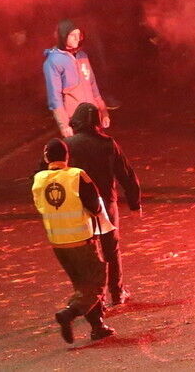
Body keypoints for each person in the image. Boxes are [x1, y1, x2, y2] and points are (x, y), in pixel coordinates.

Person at [31, 139, 115, 343]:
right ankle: (68, 313)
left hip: (58, 243)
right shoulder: (77, 175)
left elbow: (41, 206)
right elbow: (95, 207)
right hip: (82, 240)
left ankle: (97, 326)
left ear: (46, 158)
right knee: (96, 283)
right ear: (67, 156)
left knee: (82, 286)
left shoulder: (39, 179)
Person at [65, 102, 141, 306]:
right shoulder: (108, 144)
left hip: (79, 206)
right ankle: (117, 292)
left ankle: (93, 297)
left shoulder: (68, 145)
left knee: (88, 252)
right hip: (106, 204)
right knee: (111, 250)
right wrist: (134, 203)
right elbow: (126, 174)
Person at [43, 19, 110, 137]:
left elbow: (93, 86)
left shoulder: (82, 56)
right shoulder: (54, 61)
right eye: (72, 35)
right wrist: (64, 125)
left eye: (78, 34)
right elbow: (55, 98)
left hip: (93, 118)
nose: (77, 38)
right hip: (75, 122)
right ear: (63, 37)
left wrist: (103, 112)